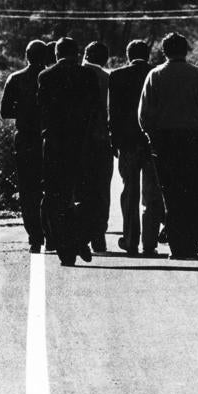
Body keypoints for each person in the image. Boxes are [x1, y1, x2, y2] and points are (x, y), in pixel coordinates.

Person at [139, 32, 198, 259]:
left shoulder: (155, 75)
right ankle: (192, 242)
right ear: (186, 50)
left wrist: (153, 136)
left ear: (164, 51)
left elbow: (144, 114)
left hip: (165, 142)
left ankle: (176, 245)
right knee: (193, 191)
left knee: (171, 194)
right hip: (194, 140)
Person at [38, 37, 101, 266]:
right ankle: (81, 237)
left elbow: (42, 112)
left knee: (57, 196)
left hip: (55, 145)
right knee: (86, 194)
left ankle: (64, 243)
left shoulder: (45, 76)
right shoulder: (88, 75)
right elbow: (96, 110)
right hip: (83, 144)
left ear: (56, 54)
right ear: (76, 53)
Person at [108, 39, 163, 256]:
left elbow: (112, 112)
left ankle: (131, 240)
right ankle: (150, 243)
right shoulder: (155, 73)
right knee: (152, 193)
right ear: (148, 55)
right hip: (151, 142)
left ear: (128, 55)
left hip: (127, 142)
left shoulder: (117, 75)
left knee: (129, 191)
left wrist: (114, 140)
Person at [0, 39, 50, 253]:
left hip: (25, 138)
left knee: (28, 190)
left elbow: (5, 112)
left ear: (26, 56)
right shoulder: (51, 78)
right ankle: (52, 232)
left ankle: (35, 238)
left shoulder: (16, 78)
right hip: (48, 138)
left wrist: (23, 112)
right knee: (51, 187)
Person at [81, 41, 113, 253]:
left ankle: (79, 232)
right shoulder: (107, 78)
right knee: (101, 189)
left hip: (77, 140)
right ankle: (98, 235)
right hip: (101, 139)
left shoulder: (75, 73)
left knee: (80, 189)